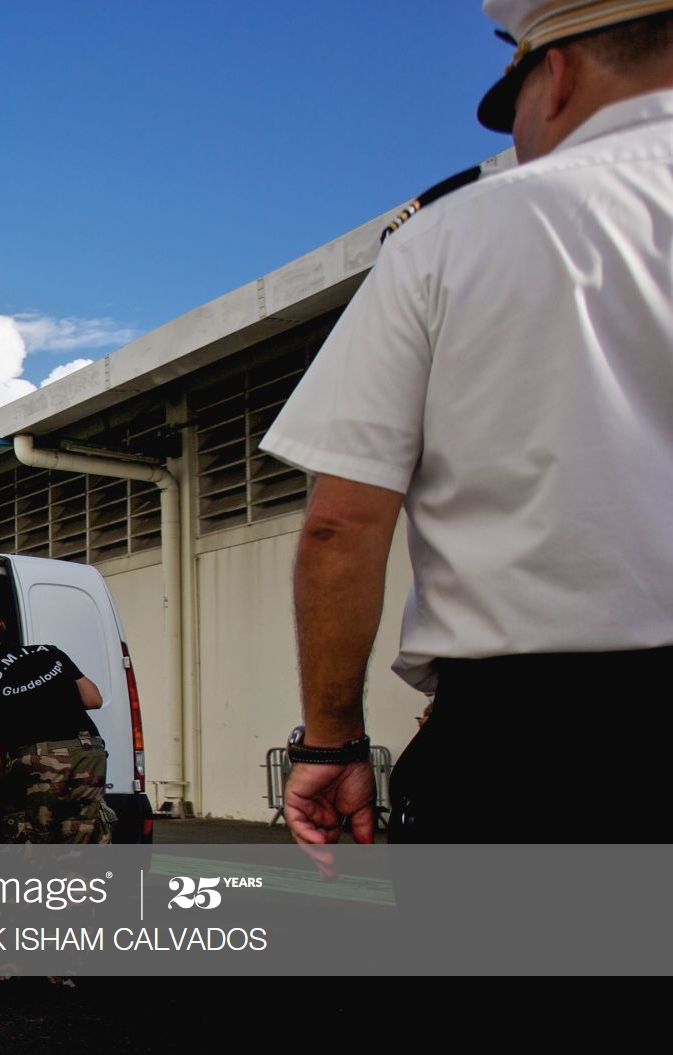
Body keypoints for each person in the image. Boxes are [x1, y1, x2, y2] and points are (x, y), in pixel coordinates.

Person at [266, 0, 673, 847]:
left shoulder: (447, 240)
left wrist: (331, 738)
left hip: (534, 757)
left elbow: (342, 524)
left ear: (554, 74)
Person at [0, 617, 110, 844]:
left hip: (40, 760)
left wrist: (8, 783)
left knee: (36, 837)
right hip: (88, 751)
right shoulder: (50, 652)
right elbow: (93, 699)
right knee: (84, 831)